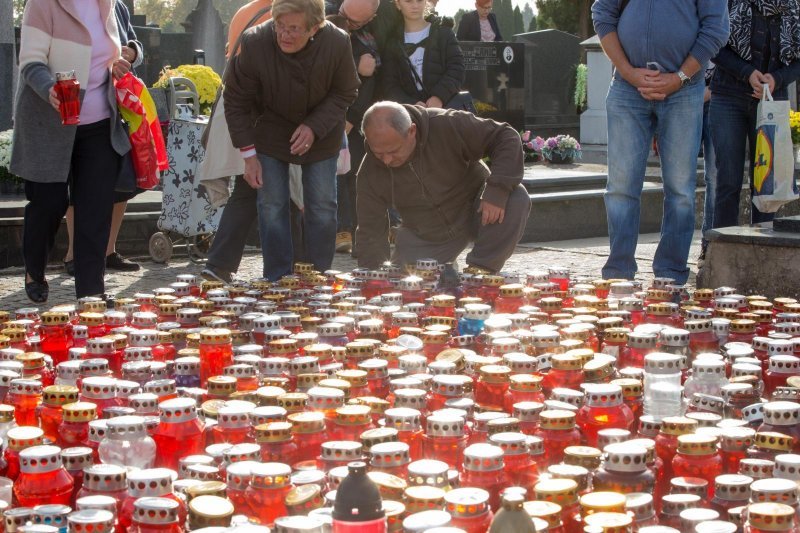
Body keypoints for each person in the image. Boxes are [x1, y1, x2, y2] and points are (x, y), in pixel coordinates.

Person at [591, 0, 729, 284]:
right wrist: (629, 72)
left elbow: (715, 28)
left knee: (680, 190)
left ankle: (671, 273)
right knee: (620, 187)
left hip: (684, 90)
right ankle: (619, 272)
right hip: (627, 88)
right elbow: (603, 14)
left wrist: (678, 77)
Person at [224, 0, 359, 281]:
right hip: (271, 131)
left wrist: (314, 126)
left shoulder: (337, 42)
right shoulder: (255, 42)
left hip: (321, 134)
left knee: (322, 205)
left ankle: (319, 274)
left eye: (294, 29)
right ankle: (277, 276)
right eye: (279, 26)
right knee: (271, 204)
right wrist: (249, 155)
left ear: (315, 27)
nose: (284, 35)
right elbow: (236, 100)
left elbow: (346, 91)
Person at [11, 0, 133, 302]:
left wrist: (128, 56)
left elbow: (125, 45)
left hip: (99, 122)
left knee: (95, 209)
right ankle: (35, 270)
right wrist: (50, 89)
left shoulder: (109, 3)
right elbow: (31, 61)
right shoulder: (42, 4)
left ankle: (91, 295)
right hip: (49, 122)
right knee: (48, 204)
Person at [356, 102, 531, 272]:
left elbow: (505, 136)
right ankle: (445, 270)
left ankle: (482, 269)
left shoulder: (446, 124)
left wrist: (497, 190)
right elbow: (370, 228)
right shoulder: (369, 171)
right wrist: (373, 277)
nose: (386, 161)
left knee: (515, 197)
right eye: (378, 153)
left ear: (412, 131)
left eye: (393, 151)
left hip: (476, 208)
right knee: (407, 285)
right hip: (426, 234)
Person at [63, 0, 144, 277]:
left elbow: (134, 43)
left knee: (120, 181)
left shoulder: (117, 6)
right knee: (78, 184)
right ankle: (73, 253)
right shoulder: (67, 6)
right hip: (75, 104)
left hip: (115, 106)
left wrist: (131, 53)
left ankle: (108, 250)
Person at [710, 0, 800, 231]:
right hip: (729, 96)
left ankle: (763, 248)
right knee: (728, 181)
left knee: (766, 184)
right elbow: (712, 43)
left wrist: (776, 79)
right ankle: (720, 248)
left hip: (771, 100)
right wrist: (747, 72)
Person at [200, 0, 273, 284]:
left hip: (241, 111)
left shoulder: (246, 10)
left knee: (248, 189)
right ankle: (290, 265)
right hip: (261, 111)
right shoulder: (275, 13)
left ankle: (219, 264)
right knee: (259, 189)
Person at [328, 0, 382, 255]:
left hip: (353, 119)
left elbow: (368, 85)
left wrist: (352, 117)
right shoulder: (327, 20)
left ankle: (358, 230)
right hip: (326, 114)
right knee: (334, 175)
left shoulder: (367, 40)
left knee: (353, 173)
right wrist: (357, 67)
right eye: (344, 17)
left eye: (354, 23)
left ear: (368, 21)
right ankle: (340, 228)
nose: (346, 25)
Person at [381, 0, 464, 108]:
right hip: (410, 115)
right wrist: (410, 103)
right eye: (408, 1)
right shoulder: (393, 42)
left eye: (419, 0)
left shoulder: (444, 33)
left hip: (444, 109)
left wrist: (439, 97)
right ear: (398, 4)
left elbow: (457, 69)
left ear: (426, 2)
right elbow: (389, 84)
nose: (415, 5)